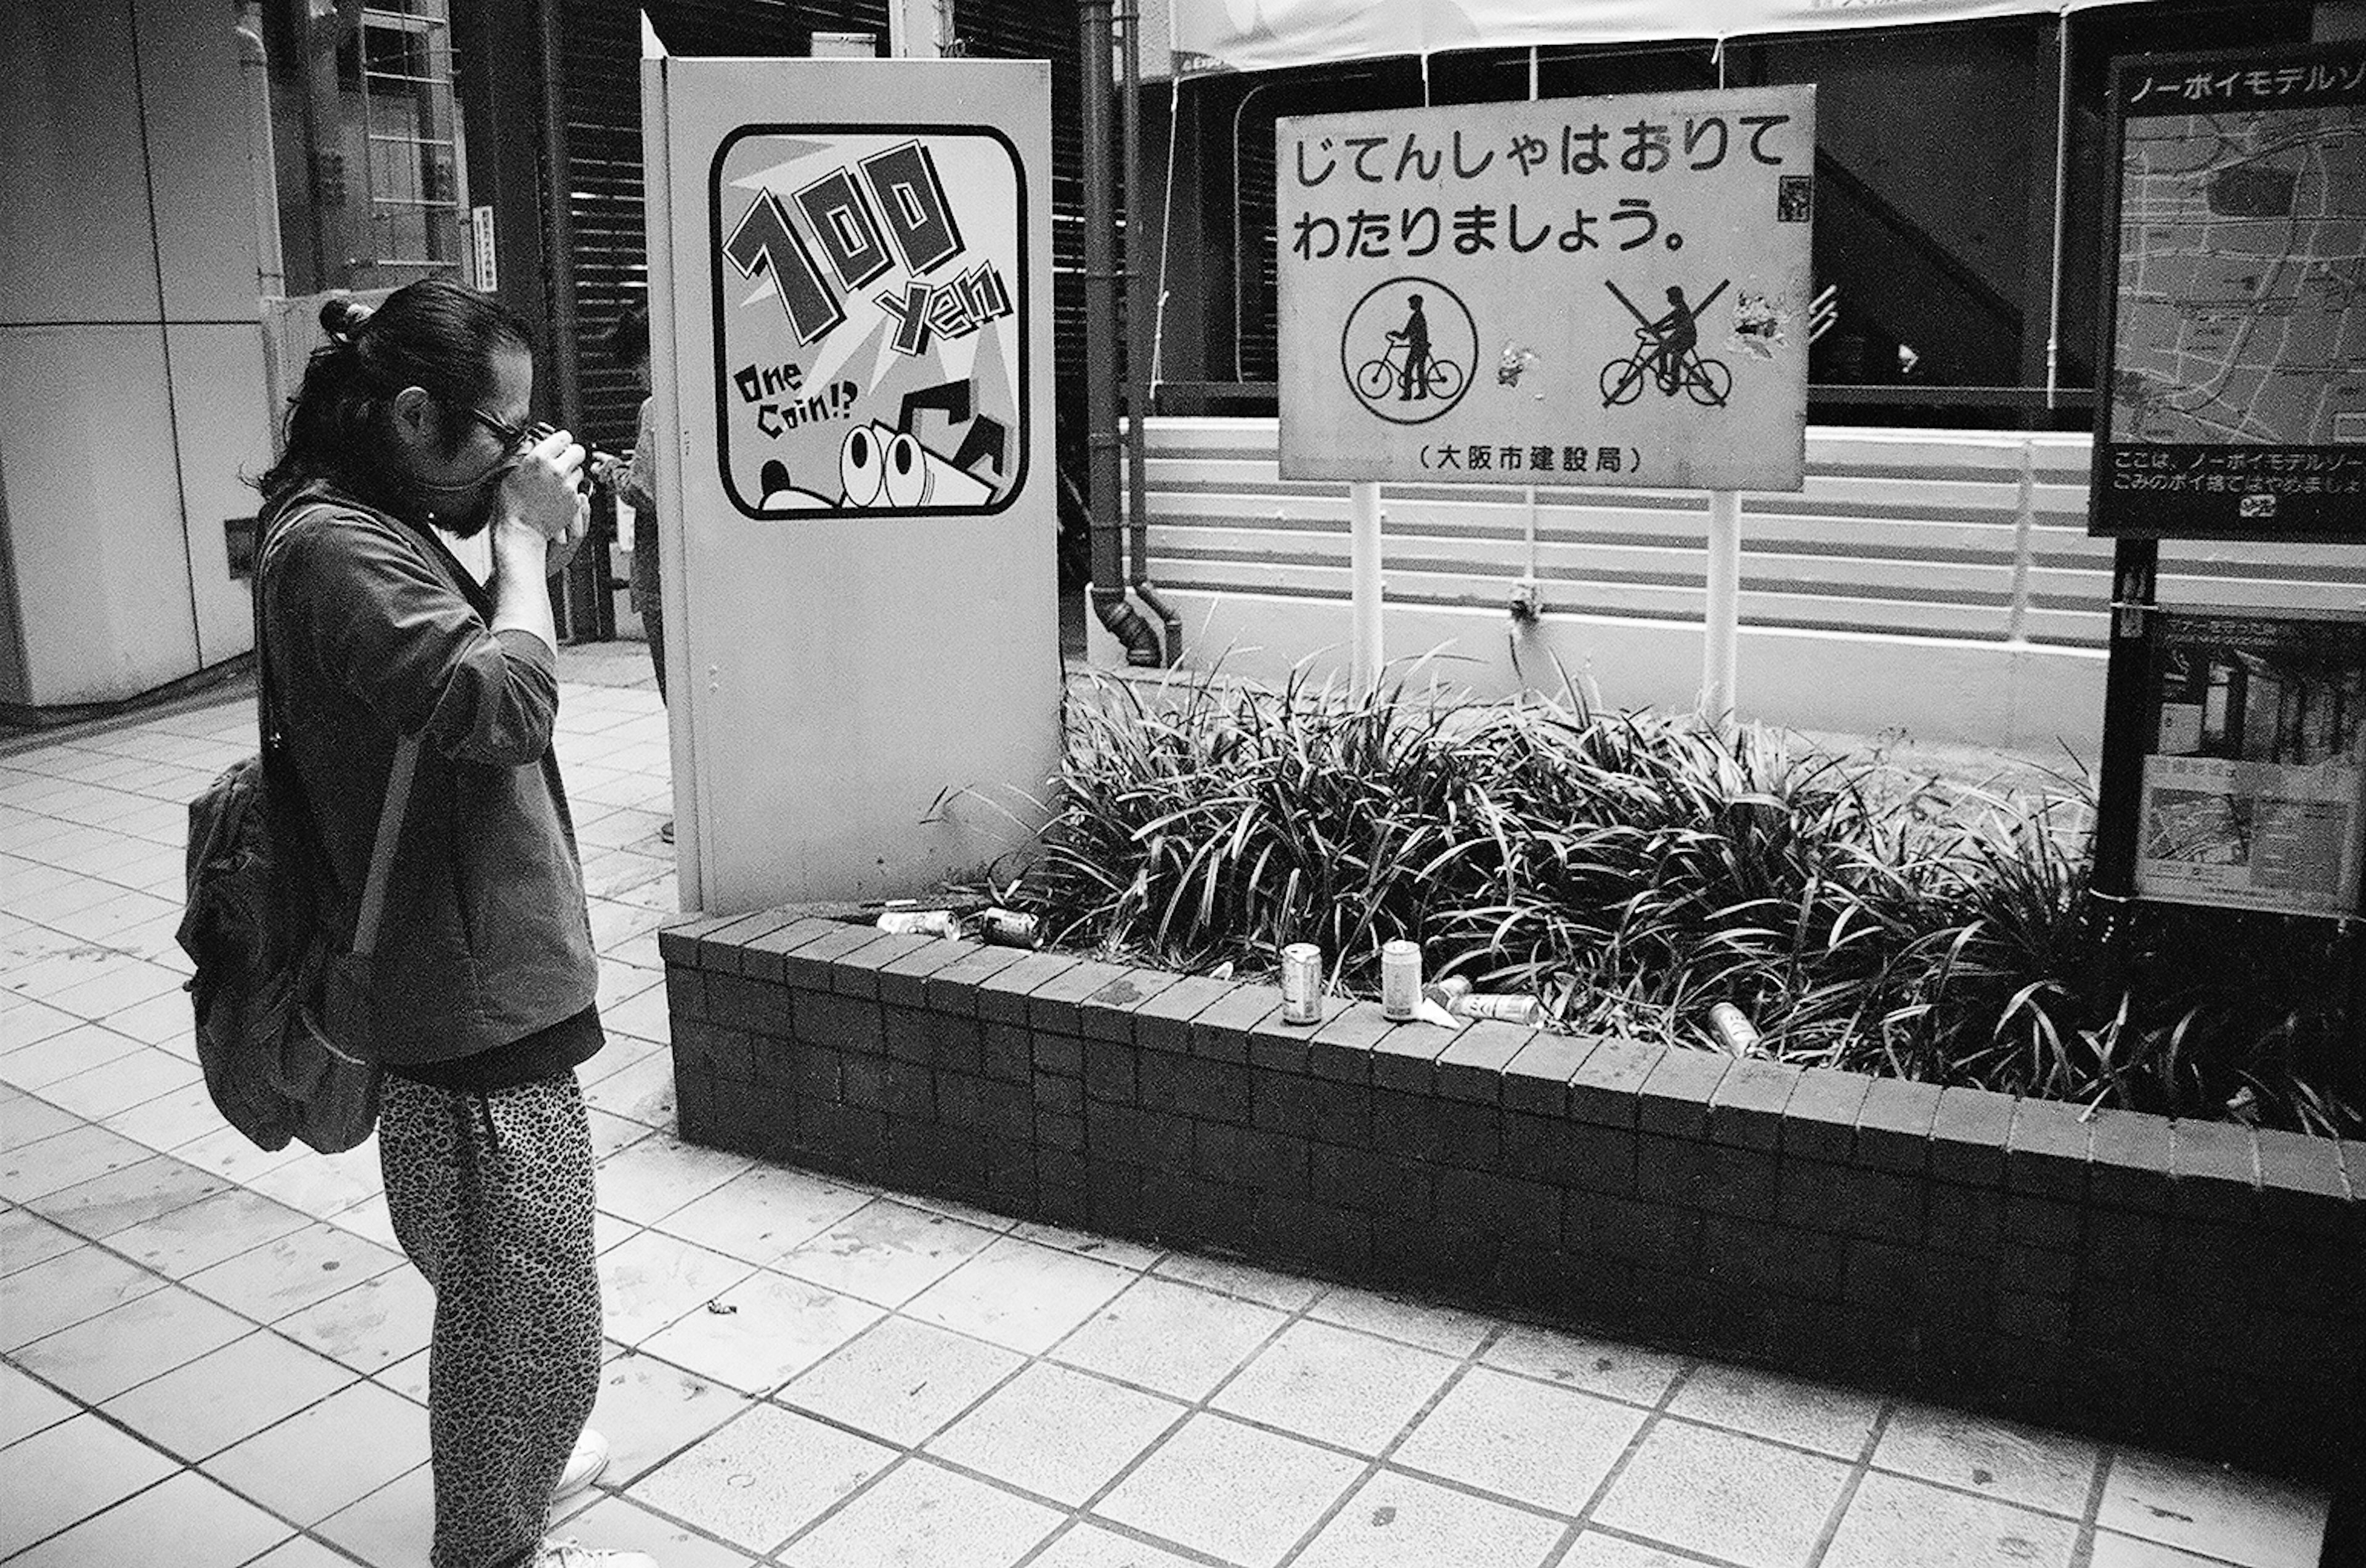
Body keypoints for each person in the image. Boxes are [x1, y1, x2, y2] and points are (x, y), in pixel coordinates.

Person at [254, 280, 654, 1568]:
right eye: (502, 431)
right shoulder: (336, 547)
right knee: (525, 1300)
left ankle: (522, 1444)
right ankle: (487, 1537)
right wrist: (527, 552)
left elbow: (476, 648)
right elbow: (499, 702)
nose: (521, 453)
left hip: (464, 960)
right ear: (416, 413)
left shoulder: (375, 511)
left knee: (487, 1265)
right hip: (464, 980)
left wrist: (528, 538)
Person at [593, 304, 671, 843]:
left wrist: (610, 471)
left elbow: (647, 490)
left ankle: (692, 810)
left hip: (665, 574)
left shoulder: (655, 403)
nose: (637, 377)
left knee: (679, 698)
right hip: (696, 571)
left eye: (635, 364)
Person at [1648, 284, 1699, 395]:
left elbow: (1674, 325)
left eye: (1670, 297)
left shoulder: (1682, 309)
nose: (1668, 300)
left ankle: (1674, 385)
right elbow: (1668, 318)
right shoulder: (1680, 308)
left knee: (1675, 359)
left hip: (1687, 339)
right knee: (1663, 349)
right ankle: (1664, 372)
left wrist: (1659, 329)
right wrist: (1657, 326)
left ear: (1675, 297)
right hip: (1682, 338)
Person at [1394, 293, 1433, 400]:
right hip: (1421, 347)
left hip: (1418, 348)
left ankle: (1408, 394)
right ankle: (1422, 392)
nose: (1409, 305)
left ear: (1416, 304)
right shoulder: (1419, 316)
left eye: (1411, 303)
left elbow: (1405, 335)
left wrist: (1396, 334)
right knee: (1420, 370)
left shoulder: (1416, 317)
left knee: (1408, 370)